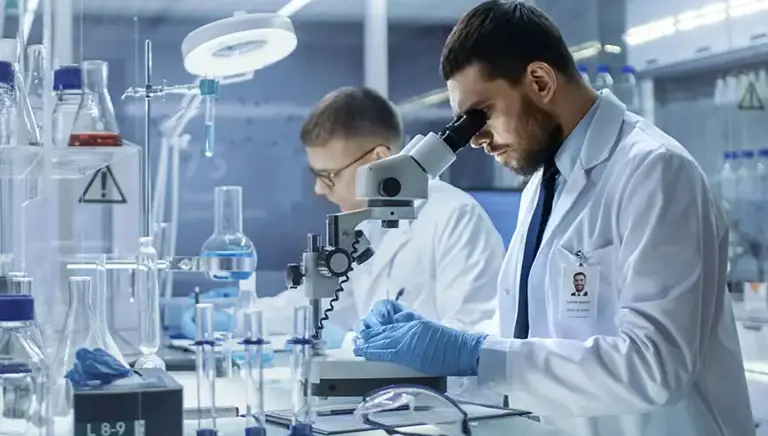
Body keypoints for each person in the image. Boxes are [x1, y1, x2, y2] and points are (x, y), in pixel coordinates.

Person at [353, 2, 753, 435]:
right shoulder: (545, 183)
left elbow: (654, 365)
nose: (474, 140)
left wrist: (473, 352)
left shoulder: (654, 171)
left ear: (540, 80)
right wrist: (440, 339)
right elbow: (532, 334)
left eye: (479, 115)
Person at [254, 86, 505, 343]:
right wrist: (238, 316)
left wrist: (375, 342)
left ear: (378, 159)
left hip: (435, 384)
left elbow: (475, 336)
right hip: (379, 382)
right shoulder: (364, 225)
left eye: (329, 176)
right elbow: (314, 305)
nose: (318, 189)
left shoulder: (455, 217)